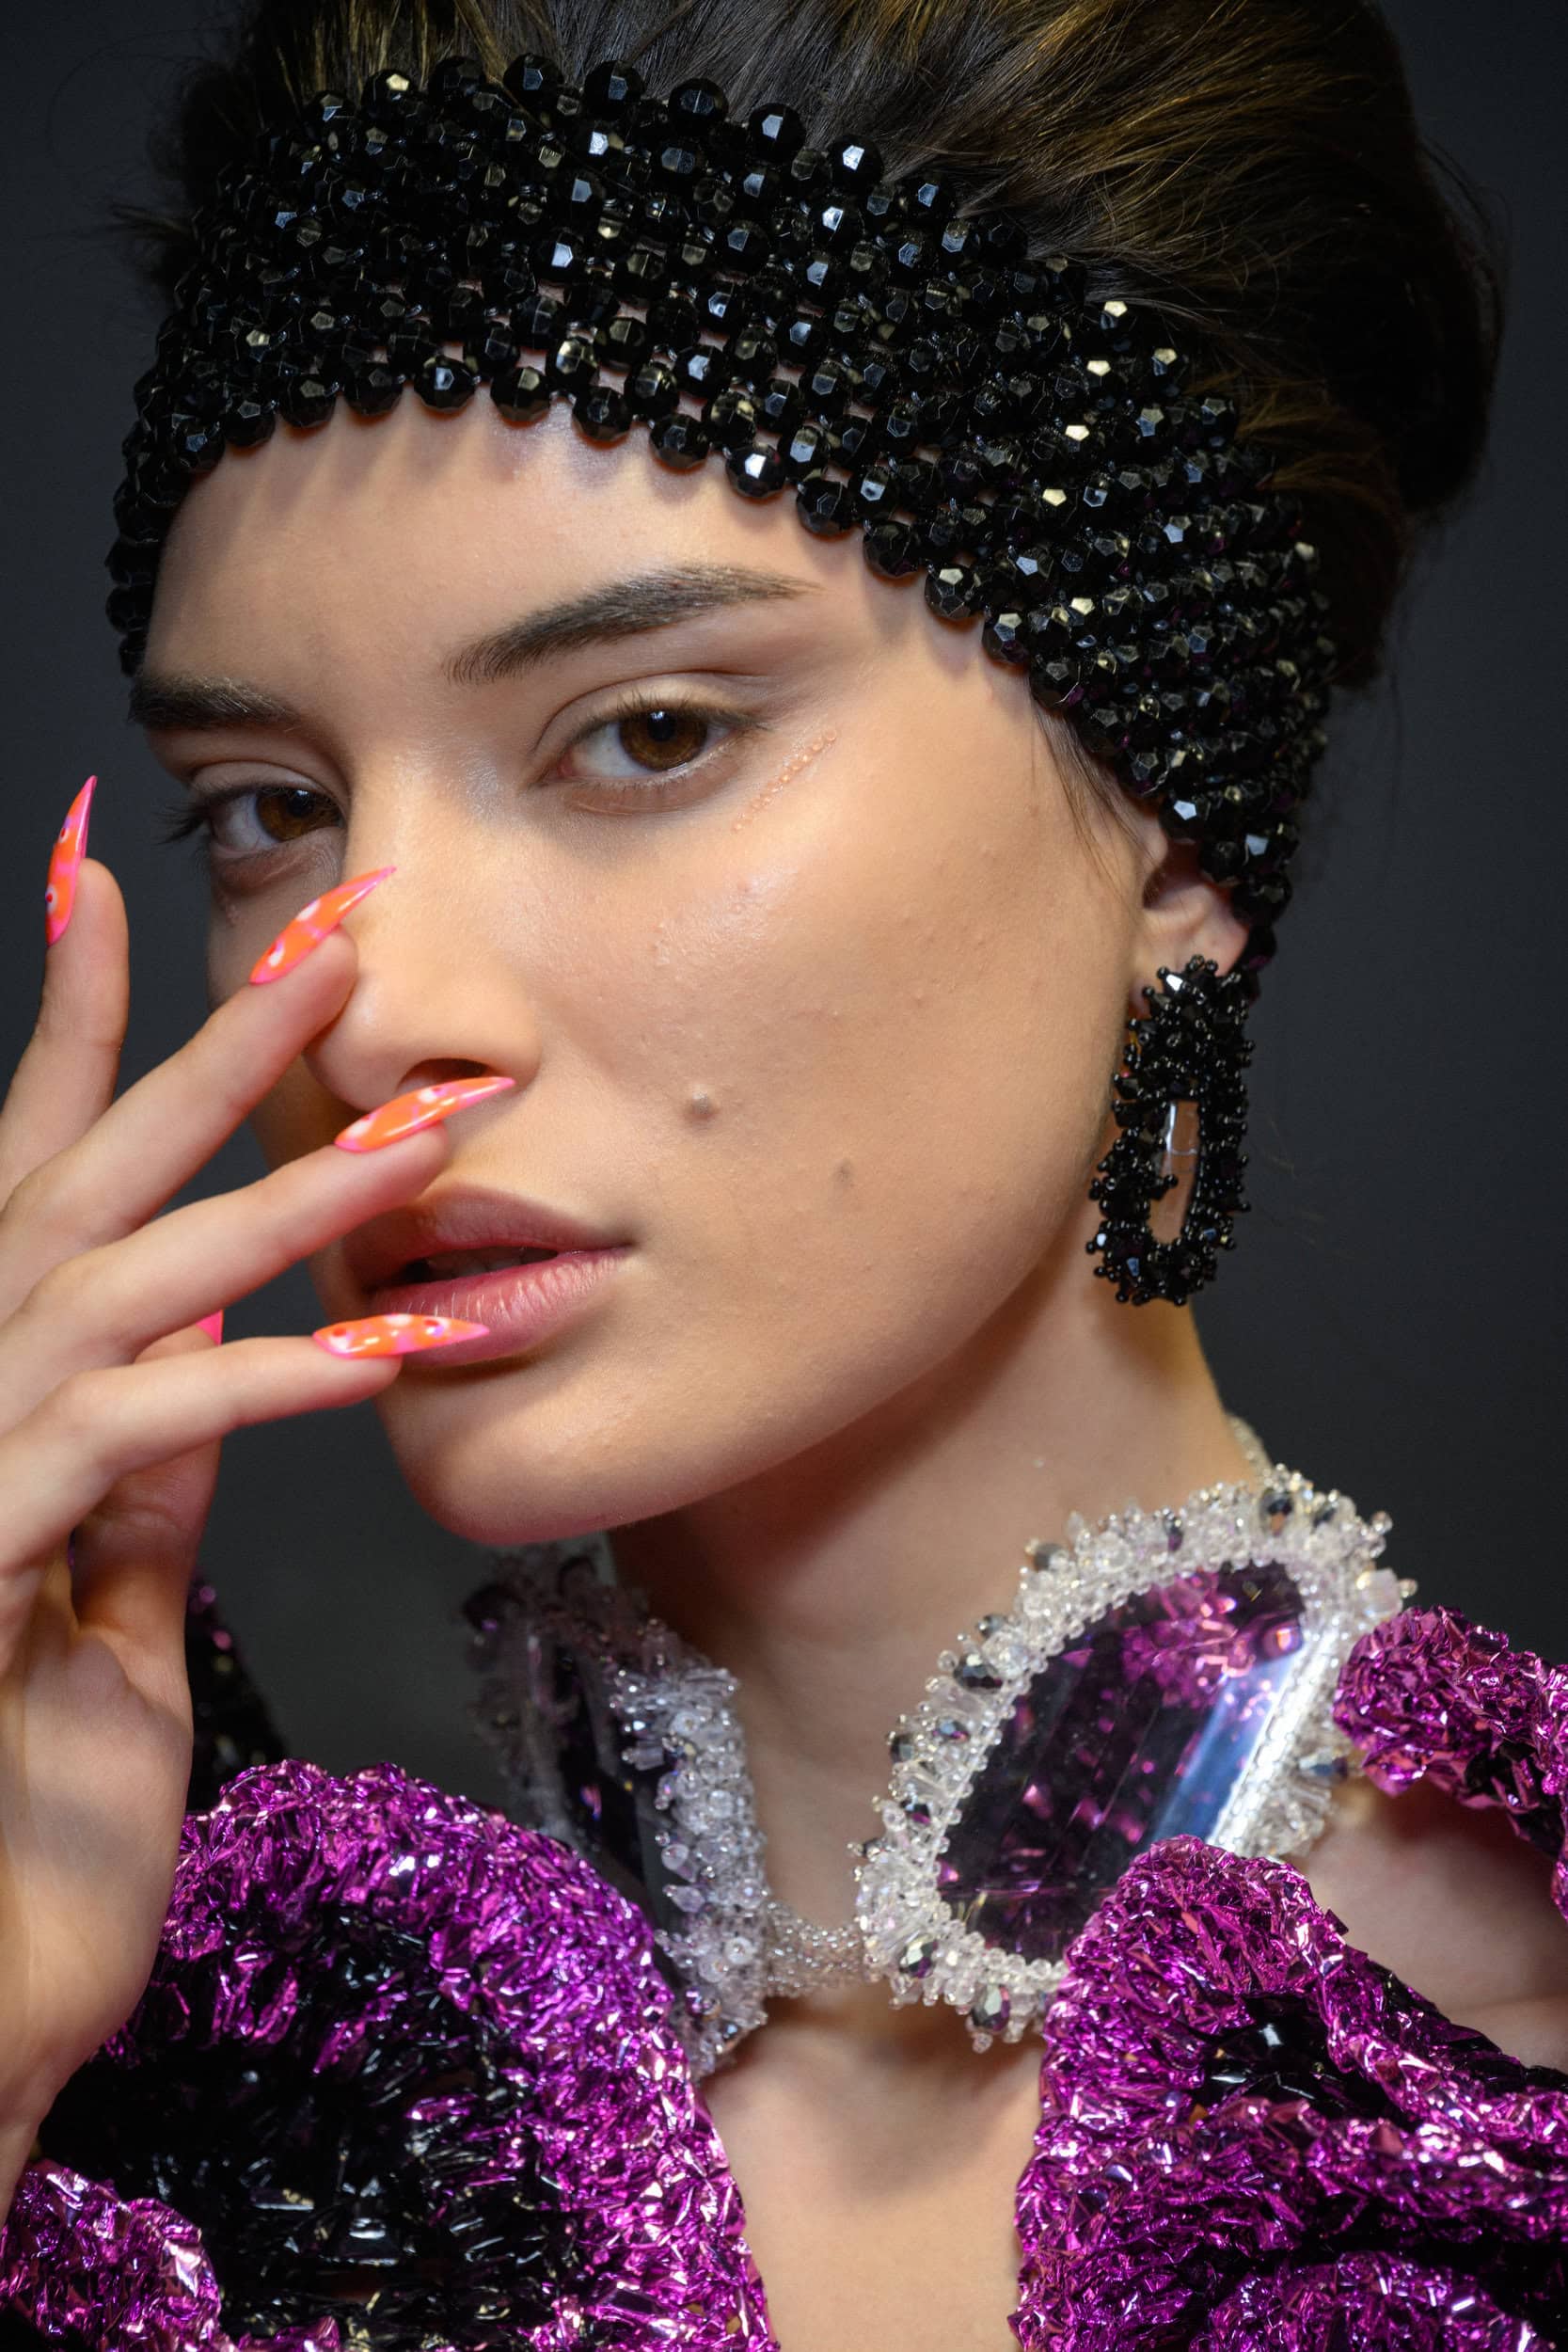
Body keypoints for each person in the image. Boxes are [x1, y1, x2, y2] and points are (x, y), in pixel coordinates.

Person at [1, 3, 1563, 2345]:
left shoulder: (1494, 2119)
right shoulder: (136, 2087)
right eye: (270, 806)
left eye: (646, 733)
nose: (380, 1004)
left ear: (1179, 816)